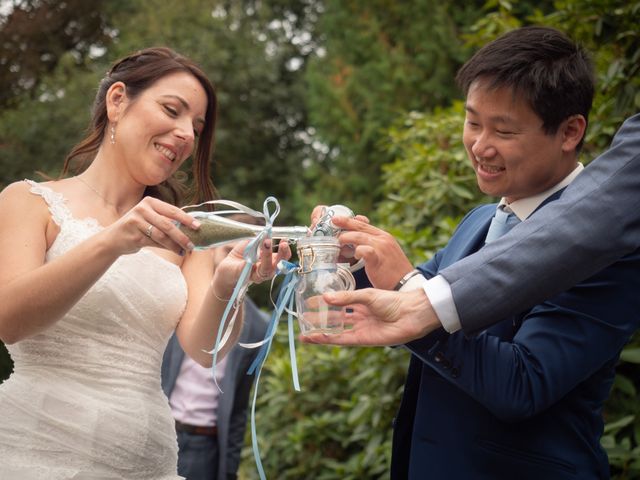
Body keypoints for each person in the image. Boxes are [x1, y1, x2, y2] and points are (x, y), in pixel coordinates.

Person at [310, 27, 640, 478]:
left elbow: (523, 384)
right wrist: (352, 259)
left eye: (503, 130)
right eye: (472, 122)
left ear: (569, 132)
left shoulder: (610, 247)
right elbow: (413, 289)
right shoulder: (481, 219)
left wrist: (410, 288)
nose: (480, 147)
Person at [0, 47, 290, 479]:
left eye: (195, 127)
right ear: (117, 101)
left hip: (149, 459)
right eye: (172, 110)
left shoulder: (184, 234)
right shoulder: (27, 201)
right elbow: (9, 319)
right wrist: (113, 242)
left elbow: (204, 349)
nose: (186, 135)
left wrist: (229, 286)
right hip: (39, 450)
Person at [161, 214, 269, 480]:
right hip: (162, 427)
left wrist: (229, 468)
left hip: (206, 446)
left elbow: (239, 406)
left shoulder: (259, 326)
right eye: (227, 248)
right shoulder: (179, 295)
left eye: (246, 252)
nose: (235, 256)